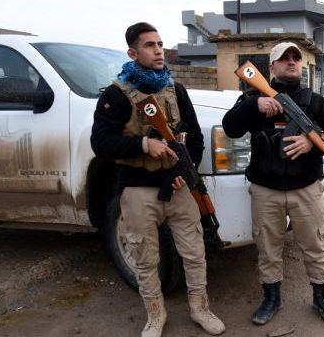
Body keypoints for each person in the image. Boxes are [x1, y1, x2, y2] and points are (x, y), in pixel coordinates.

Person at [90, 22, 225, 337]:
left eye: (161, 43)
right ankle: (155, 315)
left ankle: (200, 309)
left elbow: (194, 141)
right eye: (150, 45)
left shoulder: (175, 90)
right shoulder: (117, 94)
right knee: (144, 256)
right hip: (137, 190)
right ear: (133, 52)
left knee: (194, 252)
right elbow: (101, 142)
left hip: (178, 189)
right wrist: (143, 145)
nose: (159, 50)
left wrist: (181, 174)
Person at [222, 42, 324, 325]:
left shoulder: (314, 101)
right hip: (266, 190)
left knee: (315, 244)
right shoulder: (254, 95)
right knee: (268, 247)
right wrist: (255, 103)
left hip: (306, 189)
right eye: (284, 58)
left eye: (295, 59)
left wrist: (309, 143)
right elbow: (230, 127)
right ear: (272, 66)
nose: (291, 62)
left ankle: (321, 296)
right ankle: (271, 298)